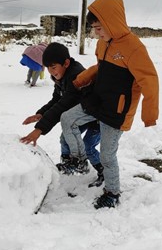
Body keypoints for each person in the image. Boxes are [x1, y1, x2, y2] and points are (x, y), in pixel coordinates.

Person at [60, 0, 159, 209]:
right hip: (98, 100)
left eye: (98, 28)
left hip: (117, 111)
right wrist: (80, 80)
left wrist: (149, 114)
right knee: (67, 119)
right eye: (93, 29)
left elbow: (149, 80)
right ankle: (78, 160)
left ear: (112, 22)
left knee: (107, 154)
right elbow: (99, 68)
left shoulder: (134, 48)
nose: (96, 34)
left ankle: (112, 193)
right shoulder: (102, 44)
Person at [19, 43, 103, 181]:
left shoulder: (75, 76)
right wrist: (41, 114)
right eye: (48, 69)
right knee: (65, 139)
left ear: (66, 63)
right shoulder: (61, 76)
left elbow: (63, 105)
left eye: (53, 67)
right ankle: (69, 163)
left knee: (89, 147)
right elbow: (57, 99)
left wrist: (39, 129)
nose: (51, 72)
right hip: (79, 117)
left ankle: (99, 170)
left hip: (96, 117)